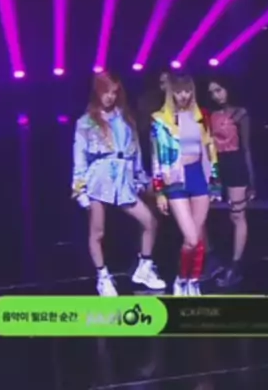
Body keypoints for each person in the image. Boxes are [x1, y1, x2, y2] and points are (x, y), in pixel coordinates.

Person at [72, 72, 166, 296]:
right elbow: (79, 156)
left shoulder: (125, 118)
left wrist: (141, 178)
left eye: (114, 92)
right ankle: (103, 277)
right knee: (98, 232)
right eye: (106, 92)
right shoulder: (85, 122)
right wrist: (79, 189)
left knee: (150, 222)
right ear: (97, 92)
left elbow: (136, 152)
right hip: (98, 179)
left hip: (124, 178)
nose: (110, 97)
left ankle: (144, 268)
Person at [149, 72, 221, 296]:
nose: (184, 96)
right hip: (175, 179)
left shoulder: (201, 116)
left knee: (197, 237)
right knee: (190, 237)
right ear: (171, 92)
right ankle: (181, 278)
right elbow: (156, 157)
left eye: (188, 91)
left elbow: (210, 149)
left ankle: (193, 281)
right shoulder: (160, 120)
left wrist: (215, 181)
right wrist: (159, 191)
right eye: (179, 91)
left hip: (199, 175)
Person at [207, 76, 255, 287]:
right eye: (212, 92)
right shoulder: (210, 115)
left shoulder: (240, 113)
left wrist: (252, 181)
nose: (216, 95)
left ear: (227, 88)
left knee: (237, 215)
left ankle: (235, 267)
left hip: (236, 164)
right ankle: (213, 259)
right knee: (206, 213)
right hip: (217, 165)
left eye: (219, 90)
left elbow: (246, 148)